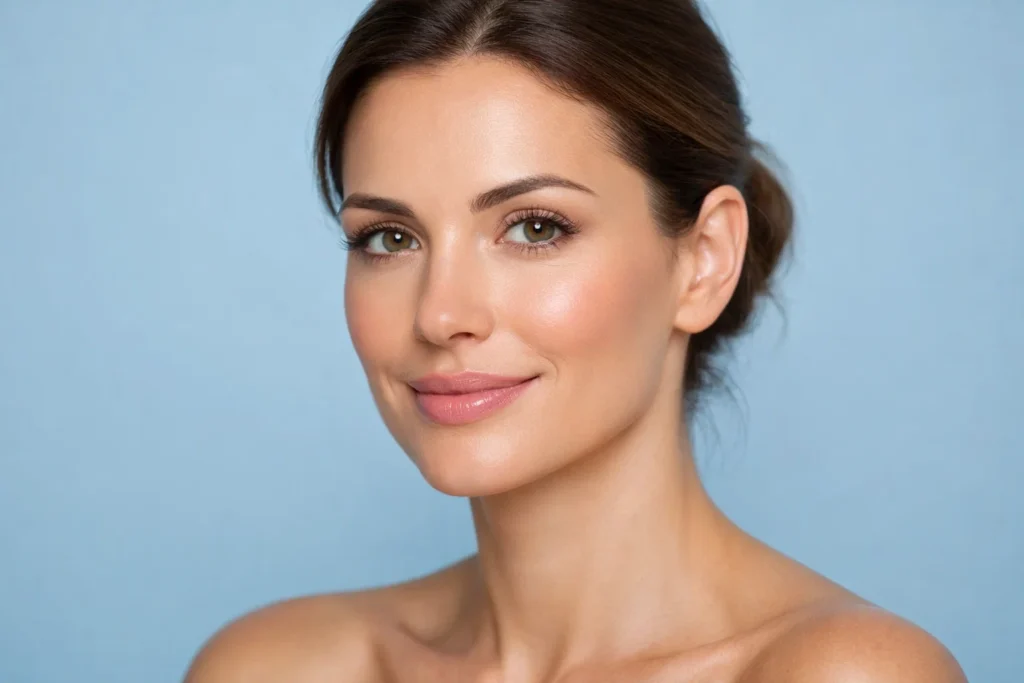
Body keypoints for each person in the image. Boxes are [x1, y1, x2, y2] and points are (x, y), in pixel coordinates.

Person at [185, 0, 967, 680]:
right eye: (390, 238)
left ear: (704, 260)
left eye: (534, 227)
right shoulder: (272, 667)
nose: (440, 314)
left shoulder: (842, 671)